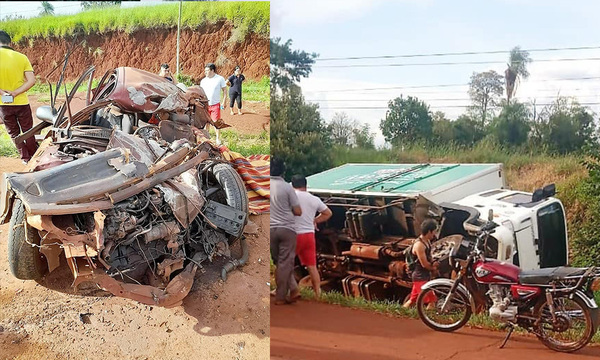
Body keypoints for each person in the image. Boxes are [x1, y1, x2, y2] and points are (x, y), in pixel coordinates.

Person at [0, 30, 38, 164]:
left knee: (13, 133)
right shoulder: (21, 57)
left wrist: (2, 93)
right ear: (9, 42)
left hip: (4, 104)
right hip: (21, 102)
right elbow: (31, 80)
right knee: (28, 130)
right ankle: (34, 155)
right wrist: (16, 93)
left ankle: (25, 158)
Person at [291, 174, 332, 298]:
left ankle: (285, 290)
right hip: (309, 235)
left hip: (294, 235)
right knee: (312, 266)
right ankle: (318, 293)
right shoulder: (314, 199)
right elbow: (328, 213)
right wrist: (315, 220)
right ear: (305, 184)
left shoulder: (291, 198)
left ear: (292, 185)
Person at [270, 157, 302, 305]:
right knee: (285, 263)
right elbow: (298, 211)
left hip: (271, 229)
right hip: (287, 229)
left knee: (279, 262)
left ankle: (294, 289)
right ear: (283, 171)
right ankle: (281, 297)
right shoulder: (287, 187)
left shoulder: (265, 184)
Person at [403, 218, 440, 308]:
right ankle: (430, 319)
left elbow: (429, 257)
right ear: (429, 231)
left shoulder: (427, 241)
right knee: (432, 300)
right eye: (434, 232)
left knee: (413, 299)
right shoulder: (419, 245)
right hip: (420, 276)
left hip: (424, 275)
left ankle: (401, 313)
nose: (434, 234)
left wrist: (433, 262)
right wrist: (433, 268)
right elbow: (424, 264)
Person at [199, 63, 227, 145]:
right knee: (206, 122)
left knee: (216, 122)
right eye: (205, 71)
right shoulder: (203, 81)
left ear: (212, 70)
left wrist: (224, 101)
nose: (205, 72)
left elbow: (225, 90)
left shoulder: (219, 79)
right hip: (205, 104)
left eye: (207, 70)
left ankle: (218, 139)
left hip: (215, 104)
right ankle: (206, 138)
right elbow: (201, 92)